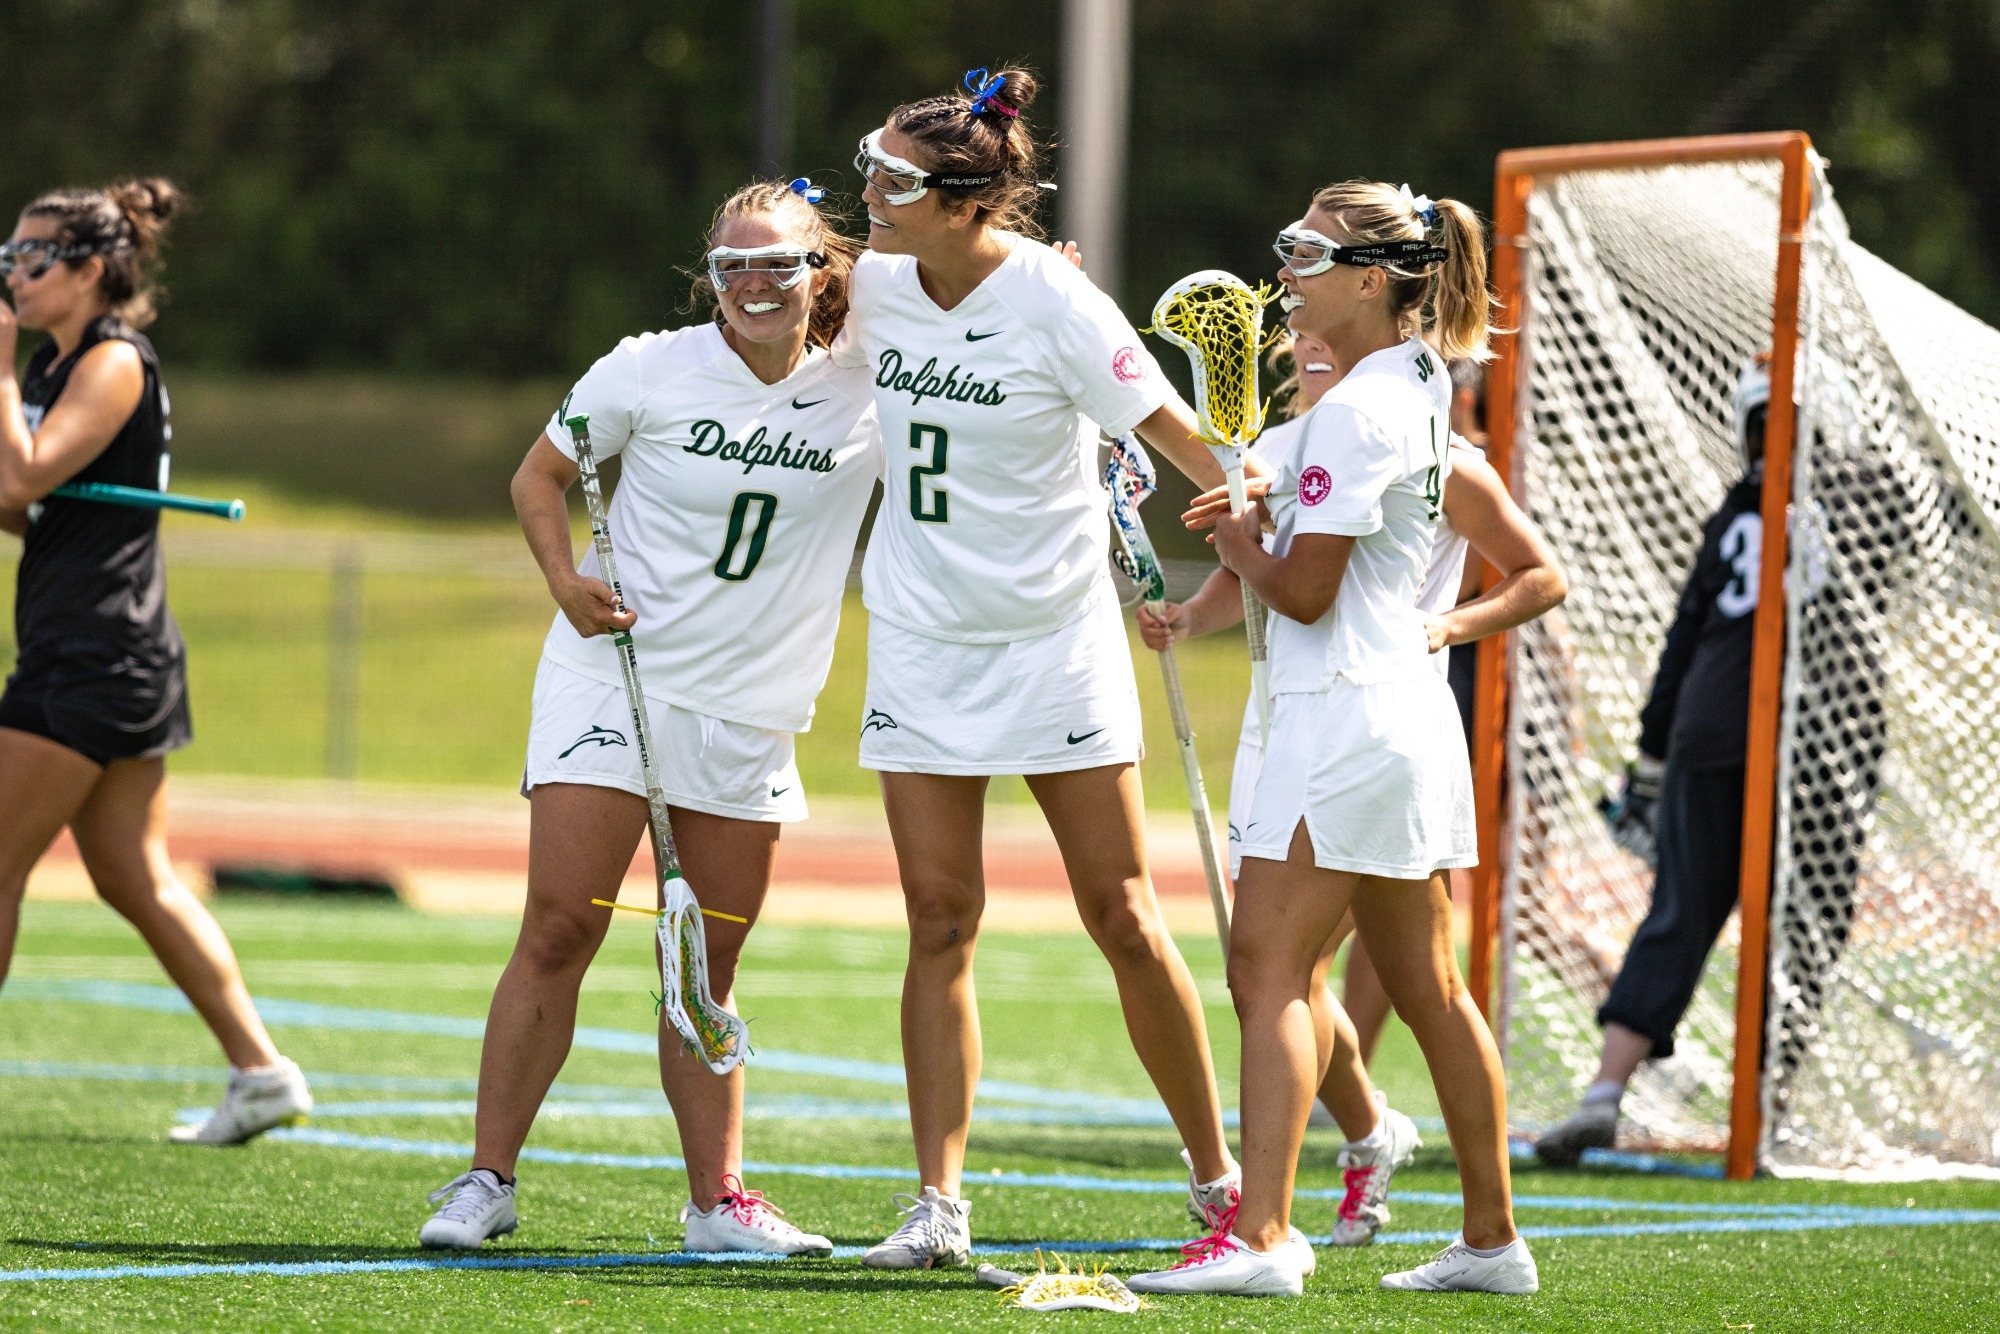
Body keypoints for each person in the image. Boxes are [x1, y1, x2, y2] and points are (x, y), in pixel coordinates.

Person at [836, 67, 1253, 1269]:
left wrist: (1239, 517)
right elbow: (767, 313)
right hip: (919, 634)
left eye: (894, 180)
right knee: (937, 917)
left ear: (967, 202)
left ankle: (1216, 1178)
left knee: (1121, 912)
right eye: (869, 165)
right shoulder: (869, 283)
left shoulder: (1060, 306)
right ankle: (936, 1204)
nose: (871, 192)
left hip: (1051, 639)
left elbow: (1179, 441)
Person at [416, 179, 881, 1254]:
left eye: (777, 263)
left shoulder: (867, 385)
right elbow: (539, 478)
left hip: (753, 709)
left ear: (821, 272)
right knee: (559, 924)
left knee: (702, 968)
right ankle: (486, 1178)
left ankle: (717, 1201)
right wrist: (560, 582)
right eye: (731, 265)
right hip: (612, 678)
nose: (754, 284)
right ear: (707, 276)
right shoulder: (646, 365)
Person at [1130, 180, 1537, 1298]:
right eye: (1284, 246)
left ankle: (1258, 1234)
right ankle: (1492, 1240)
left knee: (1267, 967)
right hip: (1380, 717)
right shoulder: (1388, 390)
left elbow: (1303, 591)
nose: (1286, 270)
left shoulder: (1364, 408)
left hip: (1344, 716)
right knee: (1425, 987)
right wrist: (1233, 501)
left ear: (1372, 278)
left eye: (1306, 252)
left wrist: (1242, 540)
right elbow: (1266, 476)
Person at [0, 180, 314, 1143]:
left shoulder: (110, 362)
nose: (14, 274)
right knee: (133, 876)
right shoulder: (57, 371)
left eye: (31, 259)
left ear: (91, 271)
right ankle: (262, 1074)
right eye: (7, 256)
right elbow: (24, 506)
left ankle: (263, 1071)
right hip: (102, 647)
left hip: (92, 655)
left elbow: (22, 473)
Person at [1535, 353, 1884, 1166]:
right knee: (1800, 926)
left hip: (1711, 726)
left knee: (1680, 911)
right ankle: (1765, 1109)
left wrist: (1652, 755)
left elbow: (1684, 639)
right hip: (1816, 738)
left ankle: (1605, 1093)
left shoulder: (1733, 515)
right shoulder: (1863, 506)